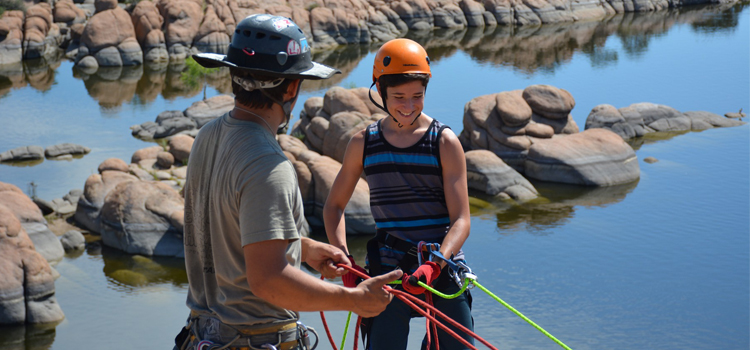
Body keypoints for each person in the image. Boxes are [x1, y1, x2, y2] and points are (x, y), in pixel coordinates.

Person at [176, 14, 402, 350]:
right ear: (292, 87)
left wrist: (301, 248)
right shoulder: (269, 164)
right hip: (255, 339)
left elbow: (227, 229)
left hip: (202, 335)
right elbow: (268, 280)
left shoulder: (208, 135)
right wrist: (354, 299)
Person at [323, 38, 473, 350]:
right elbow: (334, 207)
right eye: (399, 97)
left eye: (417, 96)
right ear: (380, 91)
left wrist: (435, 264)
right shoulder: (363, 143)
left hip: (441, 269)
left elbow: (461, 220)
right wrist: (345, 260)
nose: (408, 106)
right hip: (387, 273)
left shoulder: (443, 142)